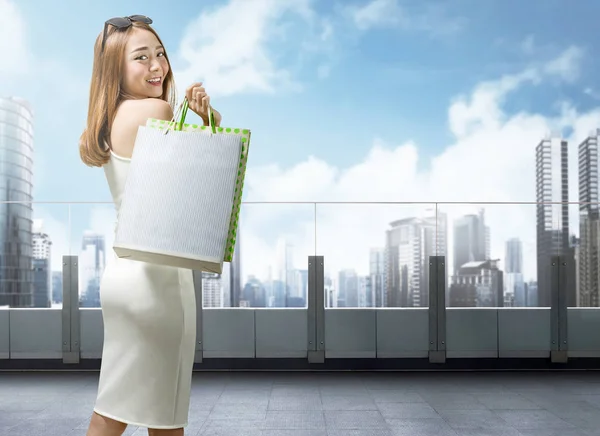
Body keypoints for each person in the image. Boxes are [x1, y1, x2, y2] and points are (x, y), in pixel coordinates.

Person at [78, 15, 221, 436]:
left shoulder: (111, 119)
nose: (157, 65)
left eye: (160, 53)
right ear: (116, 69)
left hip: (122, 277)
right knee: (165, 417)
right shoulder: (156, 110)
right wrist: (207, 119)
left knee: (113, 405)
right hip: (158, 283)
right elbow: (199, 185)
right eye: (142, 57)